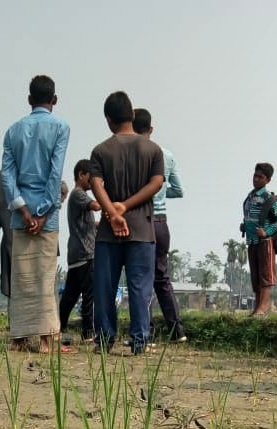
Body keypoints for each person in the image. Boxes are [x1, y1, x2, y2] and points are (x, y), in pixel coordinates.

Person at [90, 91, 165, 355]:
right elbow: (156, 183)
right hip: (143, 229)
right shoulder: (152, 150)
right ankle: (139, 340)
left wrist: (113, 211)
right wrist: (126, 206)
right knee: (139, 289)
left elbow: (96, 184)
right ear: (132, 116)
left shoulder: (100, 151)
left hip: (109, 232)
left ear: (108, 119)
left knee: (104, 288)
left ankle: (104, 339)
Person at [1, 75, 70, 353]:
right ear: (54, 99)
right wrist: (42, 213)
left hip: (21, 215)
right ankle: (45, 340)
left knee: (22, 276)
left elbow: (7, 175)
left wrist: (25, 211)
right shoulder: (61, 127)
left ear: (29, 100)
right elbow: (55, 174)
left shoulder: (13, 130)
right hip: (47, 214)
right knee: (44, 276)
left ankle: (19, 338)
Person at [133, 108, 186, 341]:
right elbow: (179, 190)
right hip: (162, 222)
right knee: (162, 278)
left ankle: (147, 331)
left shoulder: (133, 153)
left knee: (141, 278)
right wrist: (161, 193)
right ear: (151, 129)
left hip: (142, 220)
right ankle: (177, 330)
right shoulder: (167, 155)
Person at [59, 159, 100, 341]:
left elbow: (89, 224)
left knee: (70, 296)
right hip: (85, 253)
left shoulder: (78, 196)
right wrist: (104, 192)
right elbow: (98, 206)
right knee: (88, 296)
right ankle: (87, 333)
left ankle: (58, 328)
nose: (93, 182)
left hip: (77, 254)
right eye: (91, 177)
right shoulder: (78, 194)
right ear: (81, 175)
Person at [240, 163, 277, 316]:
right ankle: (258, 307)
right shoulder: (250, 197)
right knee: (256, 275)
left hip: (265, 242)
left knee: (266, 275)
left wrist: (267, 231)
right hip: (251, 241)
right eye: (255, 175)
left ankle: (263, 307)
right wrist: (244, 226)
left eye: (260, 177)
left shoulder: (268, 198)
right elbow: (249, 216)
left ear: (268, 180)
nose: (256, 179)